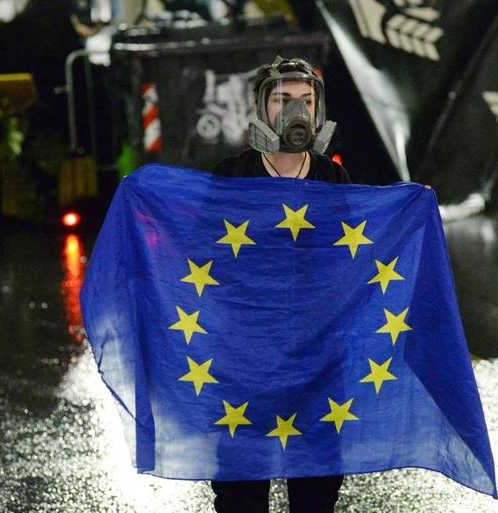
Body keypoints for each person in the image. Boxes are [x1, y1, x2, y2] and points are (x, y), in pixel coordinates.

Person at [211, 56, 350, 513]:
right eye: (284, 100)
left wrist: (413, 210)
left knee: (316, 489)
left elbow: (355, 260)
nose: (297, 113)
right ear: (260, 108)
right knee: (240, 490)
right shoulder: (231, 177)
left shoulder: (332, 177)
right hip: (243, 361)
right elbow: (199, 259)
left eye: (307, 101)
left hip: (316, 361)